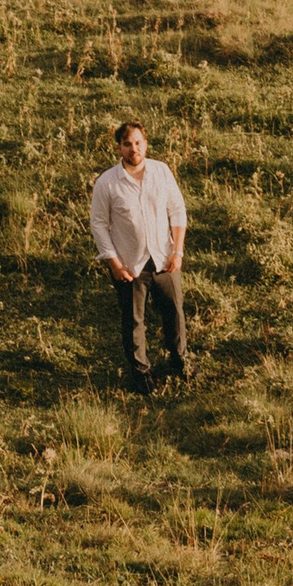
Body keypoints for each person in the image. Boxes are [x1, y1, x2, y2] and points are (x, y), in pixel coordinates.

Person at [89, 118, 190, 396]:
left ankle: (180, 360)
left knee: (174, 312)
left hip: (164, 258)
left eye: (138, 143)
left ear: (145, 144)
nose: (133, 149)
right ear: (119, 148)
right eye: (127, 144)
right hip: (129, 264)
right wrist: (114, 263)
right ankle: (141, 374)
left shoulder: (161, 171)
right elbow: (98, 224)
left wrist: (177, 251)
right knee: (134, 320)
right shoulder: (108, 182)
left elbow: (177, 211)